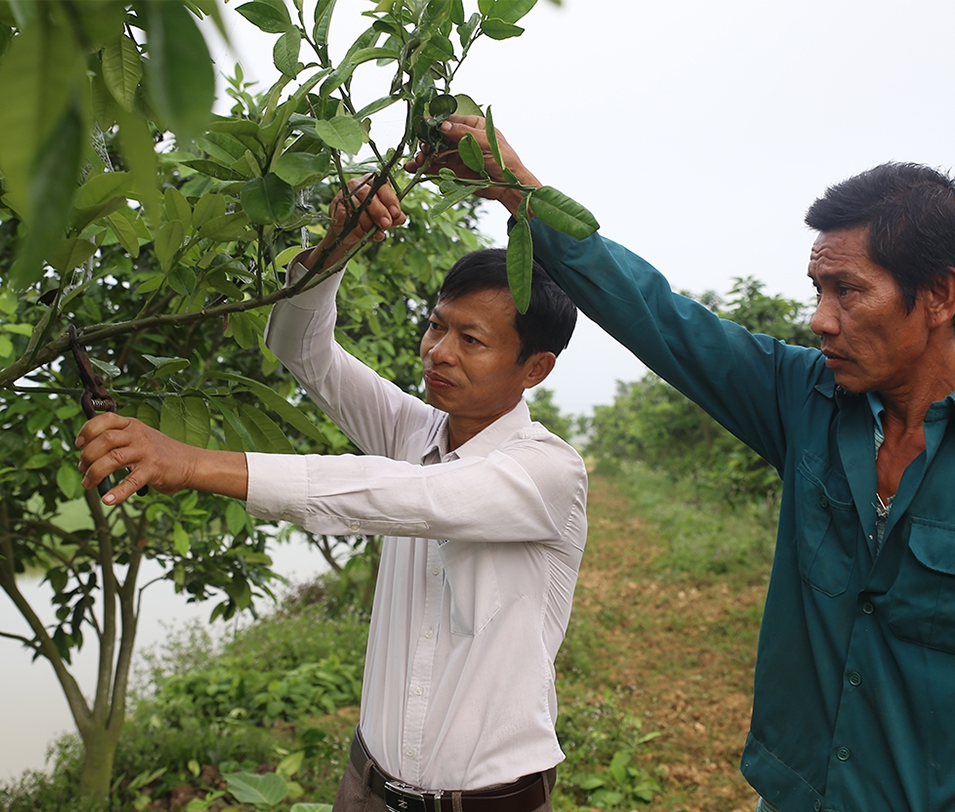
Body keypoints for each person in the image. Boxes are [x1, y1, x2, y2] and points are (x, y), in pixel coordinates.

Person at [410, 118, 955, 812]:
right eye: (818, 289)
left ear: (939, 294)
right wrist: (520, 192)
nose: (821, 319)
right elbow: (659, 318)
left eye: (847, 291)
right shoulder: (805, 401)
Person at [76, 178, 587, 812]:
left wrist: (194, 462)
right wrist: (336, 246)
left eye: (472, 340)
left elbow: (412, 497)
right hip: (364, 788)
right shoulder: (414, 431)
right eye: (436, 326)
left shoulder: (548, 472)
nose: (438, 353)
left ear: (535, 368)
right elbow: (301, 349)